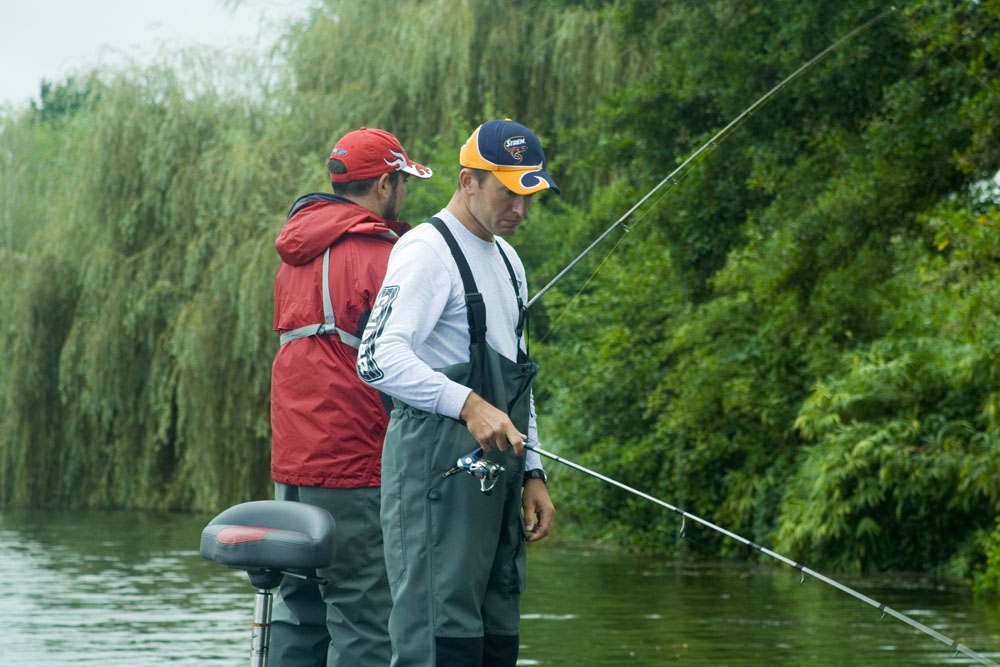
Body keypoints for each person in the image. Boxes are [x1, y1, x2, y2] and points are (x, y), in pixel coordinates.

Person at [356, 118, 557, 667]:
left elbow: (518, 381)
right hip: (435, 478)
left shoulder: (511, 263)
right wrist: (468, 404)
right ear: (469, 181)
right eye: (508, 192)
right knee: (439, 644)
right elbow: (376, 358)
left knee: (493, 642)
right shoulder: (426, 250)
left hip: (499, 479)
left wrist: (534, 472)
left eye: (529, 194)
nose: (520, 208)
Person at [269, 126, 432, 667]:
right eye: (402, 181)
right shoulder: (378, 252)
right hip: (355, 463)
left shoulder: (295, 252)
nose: (404, 192)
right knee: (363, 614)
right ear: (384, 184)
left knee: (298, 608)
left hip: (292, 466)